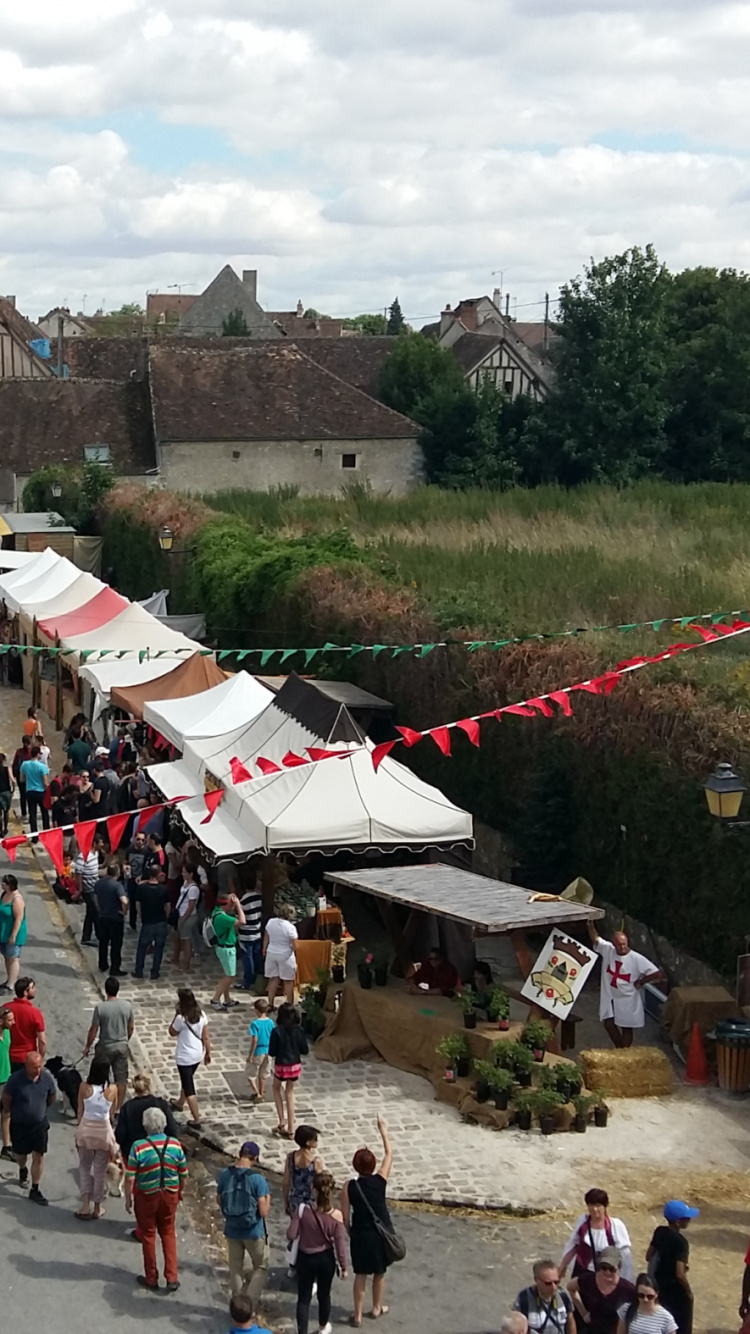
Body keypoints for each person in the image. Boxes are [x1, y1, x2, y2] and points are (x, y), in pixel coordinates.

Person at [125, 1105, 188, 1293]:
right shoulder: (175, 1145)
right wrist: (180, 1192)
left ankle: (151, 1277)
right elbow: (183, 1173)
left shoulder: (138, 1147)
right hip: (169, 1194)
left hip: (147, 1196)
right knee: (168, 1232)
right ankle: (172, 1277)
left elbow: (129, 1177)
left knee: (148, 1235)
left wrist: (128, 1199)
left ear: (146, 1127)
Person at [342, 1115, 394, 1327]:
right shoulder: (380, 1181)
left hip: (361, 1234)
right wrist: (383, 1130)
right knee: (379, 1273)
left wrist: (350, 1231)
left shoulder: (349, 1186)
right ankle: (376, 1307)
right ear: (373, 1165)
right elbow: (389, 1154)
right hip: (380, 1234)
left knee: (360, 1275)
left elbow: (345, 1216)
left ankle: (357, 1315)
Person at [288, 1169, 347, 1334]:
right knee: (324, 1295)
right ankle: (322, 1327)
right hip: (325, 1259)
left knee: (304, 1298)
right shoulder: (336, 1216)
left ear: (314, 1190)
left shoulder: (302, 1211)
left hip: (305, 1257)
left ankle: (302, 1332)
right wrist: (344, 1267)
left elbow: (291, 1234)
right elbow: (340, 1245)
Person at [587, 922, 664, 1049]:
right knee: (608, 1023)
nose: (622, 947)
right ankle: (621, 1049)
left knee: (626, 1027)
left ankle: (624, 1051)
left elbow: (657, 973)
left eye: (624, 944)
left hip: (627, 997)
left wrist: (641, 982)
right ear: (614, 944)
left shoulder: (636, 958)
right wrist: (590, 925)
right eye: (619, 945)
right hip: (611, 995)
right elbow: (595, 939)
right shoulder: (608, 950)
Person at [216, 1139, 271, 1308]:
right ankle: (249, 1303)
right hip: (253, 1231)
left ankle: (237, 1303)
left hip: (232, 1228)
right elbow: (263, 1212)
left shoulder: (225, 1174)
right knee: (261, 1266)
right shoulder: (257, 1179)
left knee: (235, 1268)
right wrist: (268, 1199)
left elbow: (219, 1200)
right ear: (255, 1158)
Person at [1, 1050, 57, 1204]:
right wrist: (12, 1111)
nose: (38, 1070)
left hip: (39, 1125)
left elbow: (52, 1096)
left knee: (38, 1156)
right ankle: (22, 1168)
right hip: (20, 1124)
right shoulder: (15, 1080)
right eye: (34, 1067)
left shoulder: (46, 1078)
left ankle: (35, 1188)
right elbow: (6, 1099)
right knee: (21, 1154)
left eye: (40, 1066)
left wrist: (41, 1110)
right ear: (26, 1066)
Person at [74, 1056, 118, 1220]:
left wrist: (79, 1129)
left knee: (84, 1167)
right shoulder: (112, 1089)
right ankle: (97, 1207)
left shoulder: (84, 1087)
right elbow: (112, 1112)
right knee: (100, 1171)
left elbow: (80, 1111)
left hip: (86, 1129)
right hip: (103, 1131)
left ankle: (85, 1205)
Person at [645, 1201, 698, 1334]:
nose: (689, 1220)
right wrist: (688, 1292)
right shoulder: (681, 1243)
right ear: (678, 1223)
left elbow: (648, 1256)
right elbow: (679, 1273)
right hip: (675, 1293)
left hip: (658, 1287)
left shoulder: (660, 1232)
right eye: (686, 1218)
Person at [83, 975, 134, 1111]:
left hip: (105, 1046)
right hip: (122, 1046)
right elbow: (131, 1027)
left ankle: (99, 1102)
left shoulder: (101, 1008)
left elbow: (94, 1029)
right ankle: (117, 1108)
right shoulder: (127, 1006)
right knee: (121, 1078)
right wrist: (125, 1040)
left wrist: (88, 1046)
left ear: (106, 990)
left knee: (99, 1076)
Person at [560, 1189, 634, 1282]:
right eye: (591, 1205)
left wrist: (625, 1280)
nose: (594, 1209)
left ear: (605, 1206)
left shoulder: (615, 1226)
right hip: (584, 1272)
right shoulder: (583, 1222)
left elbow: (624, 1256)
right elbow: (574, 1245)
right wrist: (563, 1266)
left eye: (598, 1205)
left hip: (606, 1275)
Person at [116, 1071, 180, 1166]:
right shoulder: (161, 1104)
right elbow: (172, 1130)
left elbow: (120, 1134)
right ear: (149, 1086)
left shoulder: (127, 1107)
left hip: (137, 1155)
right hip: (161, 1153)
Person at [169, 987, 211, 1131]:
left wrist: (176, 1014)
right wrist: (208, 1053)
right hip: (197, 1054)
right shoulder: (202, 1014)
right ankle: (180, 1102)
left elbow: (172, 1032)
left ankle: (196, 1118)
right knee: (187, 1078)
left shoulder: (181, 1018)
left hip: (185, 1056)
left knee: (189, 1087)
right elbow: (206, 1036)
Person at [568, 1247, 636, 1334]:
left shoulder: (628, 1289)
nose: (607, 1272)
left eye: (611, 1269)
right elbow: (570, 1287)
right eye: (604, 1268)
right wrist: (583, 1313)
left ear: (619, 1267)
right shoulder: (589, 1280)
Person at [269, 1003, 309, 1139]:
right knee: (290, 1093)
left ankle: (281, 1122)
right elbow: (305, 1050)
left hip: (281, 1065)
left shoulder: (276, 1031)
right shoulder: (299, 1030)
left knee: (275, 1088)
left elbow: (272, 1051)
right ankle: (292, 1128)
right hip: (295, 1066)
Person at [514, 1261, 576, 1334]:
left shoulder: (563, 1295)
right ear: (536, 1280)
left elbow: (571, 1323)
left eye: (556, 1282)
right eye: (548, 1283)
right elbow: (515, 1328)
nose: (554, 1287)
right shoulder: (524, 1299)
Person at [132, 864, 170, 980]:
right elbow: (168, 906)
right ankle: (155, 972)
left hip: (147, 921)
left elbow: (137, 904)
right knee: (158, 948)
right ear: (159, 874)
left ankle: (139, 970)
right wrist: (166, 918)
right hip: (160, 921)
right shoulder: (164, 889)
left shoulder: (142, 888)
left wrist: (141, 915)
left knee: (142, 947)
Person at [210, 893, 247, 1011]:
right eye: (231, 905)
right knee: (230, 976)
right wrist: (238, 906)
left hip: (223, 947)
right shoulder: (222, 917)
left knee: (227, 973)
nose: (232, 907)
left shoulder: (216, 911)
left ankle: (227, 999)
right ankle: (215, 999)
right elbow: (242, 921)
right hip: (227, 949)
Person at [95, 860, 129, 976]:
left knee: (103, 942)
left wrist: (100, 909)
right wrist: (124, 912)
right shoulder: (117, 886)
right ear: (117, 873)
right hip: (115, 919)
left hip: (103, 917)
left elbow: (95, 897)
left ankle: (102, 964)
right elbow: (124, 901)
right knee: (116, 945)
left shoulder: (99, 883)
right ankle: (115, 968)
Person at [6, 976, 45, 1073]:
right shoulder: (35, 1013)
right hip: (27, 1058)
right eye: (32, 988)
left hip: (7, 1056)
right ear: (25, 992)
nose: (35, 990)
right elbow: (42, 1041)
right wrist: (40, 1058)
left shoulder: (5, 1008)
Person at [263, 903, 298, 1007]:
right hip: (285, 955)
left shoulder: (271, 922)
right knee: (288, 981)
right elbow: (295, 945)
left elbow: (266, 936)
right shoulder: (290, 927)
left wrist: (264, 949)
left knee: (273, 979)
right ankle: (289, 1004)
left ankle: (270, 1003)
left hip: (272, 952)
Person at [283, 1125, 323, 1215]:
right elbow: (320, 1186)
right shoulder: (316, 1161)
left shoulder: (290, 1157)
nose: (317, 1141)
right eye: (315, 1139)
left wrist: (286, 1203)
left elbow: (286, 1182)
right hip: (311, 1202)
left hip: (295, 1200)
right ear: (308, 1142)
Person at [0, 873, 27, 992]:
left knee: (13, 958)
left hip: (13, 932)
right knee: (7, 956)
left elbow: (19, 919)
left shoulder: (17, 899)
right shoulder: (4, 894)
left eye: (3, 883)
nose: (1, 885)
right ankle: (8, 980)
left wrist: (13, 935)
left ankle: (11, 984)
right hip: (3, 931)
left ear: (10, 885)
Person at [237, 875, 264, 992]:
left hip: (246, 934)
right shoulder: (260, 898)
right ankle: (257, 978)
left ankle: (248, 981)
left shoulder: (243, 902)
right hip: (257, 932)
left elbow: (240, 918)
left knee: (247, 958)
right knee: (256, 956)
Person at [74, 837, 102, 946]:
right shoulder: (83, 857)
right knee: (96, 913)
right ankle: (101, 937)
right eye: (100, 842)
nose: (102, 844)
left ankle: (86, 937)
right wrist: (80, 889)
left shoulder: (96, 854)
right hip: (88, 890)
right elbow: (78, 873)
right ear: (94, 843)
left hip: (95, 888)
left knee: (90, 914)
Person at [172, 866, 201, 971]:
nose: (182, 874)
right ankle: (175, 957)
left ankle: (186, 964)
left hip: (187, 916)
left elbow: (191, 905)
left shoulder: (193, 888)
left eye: (185, 872)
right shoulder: (185, 884)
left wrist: (184, 918)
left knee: (186, 940)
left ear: (191, 874)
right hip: (180, 913)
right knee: (176, 936)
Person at [247, 997, 275, 1101]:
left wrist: (251, 1055)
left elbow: (255, 1039)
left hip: (258, 1051)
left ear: (256, 1010)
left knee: (251, 1074)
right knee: (263, 1074)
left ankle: (256, 1092)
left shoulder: (255, 1024)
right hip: (268, 1051)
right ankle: (261, 1092)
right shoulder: (271, 1022)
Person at [21, 744, 49, 833]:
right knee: (44, 812)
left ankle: (34, 835)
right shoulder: (42, 767)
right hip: (40, 792)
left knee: (32, 814)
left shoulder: (24, 764)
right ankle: (46, 831)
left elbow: (22, 779)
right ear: (37, 754)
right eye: (40, 753)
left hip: (29, 791)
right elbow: (45, 782)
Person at [125, 829, 148, 930]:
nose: (140, 842)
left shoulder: (147, 852)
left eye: (142, 840)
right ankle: (132, 922)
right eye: (138, 839)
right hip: (131, 879)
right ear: (134, 839)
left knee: (143, 903)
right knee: (132, 901)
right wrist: (125, 867)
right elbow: (125, 861)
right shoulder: (129, 850)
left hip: (142, 881)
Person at [0, 1006, 15, 1158]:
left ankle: (6, 1147)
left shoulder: (7, 1032)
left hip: (6, 1078)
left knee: (6, 1113)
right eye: (10, 1020)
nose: (14, 1022)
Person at [12, 736, 32, 820]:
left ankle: (24, 814)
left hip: (20, 777)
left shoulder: (19, 752)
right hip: (30, 777)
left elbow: (14, 764)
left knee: (22, 795)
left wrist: (13, 775)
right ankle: (31, 813)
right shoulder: (31, 752)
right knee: (30, 795)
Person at [0, 752, 15, 836]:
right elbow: (13, 780)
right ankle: (5, 828)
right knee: (6, 811)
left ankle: (0, 830)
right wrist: (13, 789)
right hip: (6, 792)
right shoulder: (7, 768)